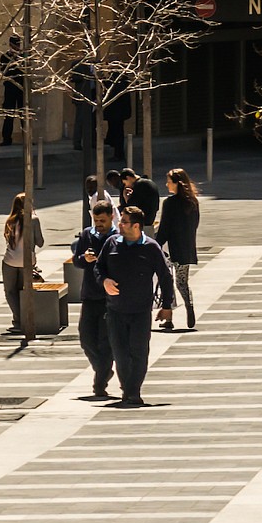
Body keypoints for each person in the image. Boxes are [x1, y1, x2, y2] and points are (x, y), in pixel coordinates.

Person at [99, 205, 177, 408]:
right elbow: (99, 268)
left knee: (139, 352)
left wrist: (167, 305)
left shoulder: (150, 247)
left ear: (135, 226)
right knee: (120, 353)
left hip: (141, 311)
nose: (119, 224)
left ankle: (133, 392)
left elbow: (165, 276)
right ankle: (128, 389)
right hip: (115, 310)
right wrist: (105, 281)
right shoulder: (112, 243)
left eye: (123, 222)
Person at [71, 199, 118, 400]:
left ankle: (100, 383)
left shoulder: (117, 237)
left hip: (109, 297)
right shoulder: (87, 235)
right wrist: (84, 258)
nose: (98, 224)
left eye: (102, 220)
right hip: (90, 294)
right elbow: (76, 261)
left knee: (105, 341)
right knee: (86, 338)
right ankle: (103, 369)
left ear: (111, 218)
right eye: (96, 220)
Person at [157, 167, 203, 332]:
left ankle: (168, 316)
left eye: (169, 182)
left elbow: (164, 228)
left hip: (172, 248)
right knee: (182, 282)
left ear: (177, 183)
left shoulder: (169, 203)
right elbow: (195, 224)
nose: (167, 185)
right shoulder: (193, 202)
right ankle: (188, 305)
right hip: (187, 247)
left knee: (167, 282)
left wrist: (156, 245)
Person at [0, 192, 45, 336]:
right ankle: (24, 319)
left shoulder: (10, 221)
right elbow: (40, 242)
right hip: (27, 261)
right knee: (22, 290)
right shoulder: (34, 220)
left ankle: (18, 320)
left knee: (10, 291)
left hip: (10, 260)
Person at [0, 39, 25, 146]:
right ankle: (6, 138)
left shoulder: (23, 56)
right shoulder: (5, 57)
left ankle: (27, 138)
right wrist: (12, 60)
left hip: (22, 88)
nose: (16, 47)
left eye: (18, 45)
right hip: (10, 87)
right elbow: (4, 71)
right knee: (8, 113)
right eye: (15, 45)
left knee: (24, 114)